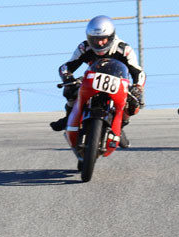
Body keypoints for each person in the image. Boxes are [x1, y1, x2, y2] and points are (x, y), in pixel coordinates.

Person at [50, 15, 146, 147]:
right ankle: (69, 117)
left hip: (118, 83)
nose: (99, 43)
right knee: (69, 90)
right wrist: (68, 78)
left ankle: (120, 125)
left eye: (103, 39)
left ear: (111, 36)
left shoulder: (124, 49)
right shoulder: (84, 47)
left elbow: (139, 72)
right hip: (91, 80)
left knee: (133, 105)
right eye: (95, 39)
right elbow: (66, 67)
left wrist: (137, 87)